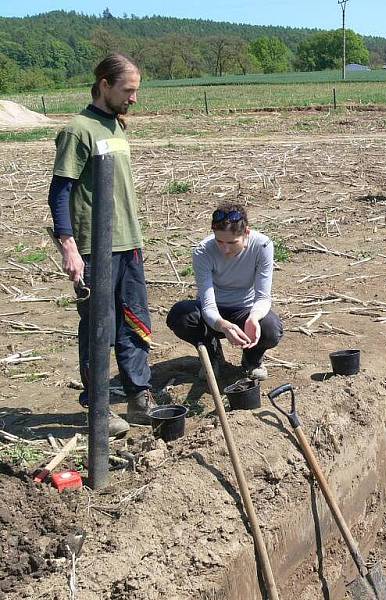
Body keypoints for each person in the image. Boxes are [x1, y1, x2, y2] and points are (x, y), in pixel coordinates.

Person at [48, 54, 154, 437]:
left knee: (135, 322)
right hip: (95, 248)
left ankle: (140, 397)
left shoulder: (115, 127)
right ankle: (99, 407)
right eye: (128, 90)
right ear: (105, 85)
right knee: (99, 329)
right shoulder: (79, 130)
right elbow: (60, 192)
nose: (134, 99)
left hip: (129, 243)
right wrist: (68, 246)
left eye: (137, 91)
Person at [166, 203, 283, 381]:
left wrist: (254, 318)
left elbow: (263, 297)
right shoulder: (203, 251)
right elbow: (208, 304)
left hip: (244, 308)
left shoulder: (263, 246)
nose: (225, 249)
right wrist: (223, 325)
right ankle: (212, 355)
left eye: (232, 242)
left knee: (271, 329)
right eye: (219, 241)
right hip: (213, 311)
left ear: (247, 233)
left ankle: (252, 359)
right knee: (180, 315)